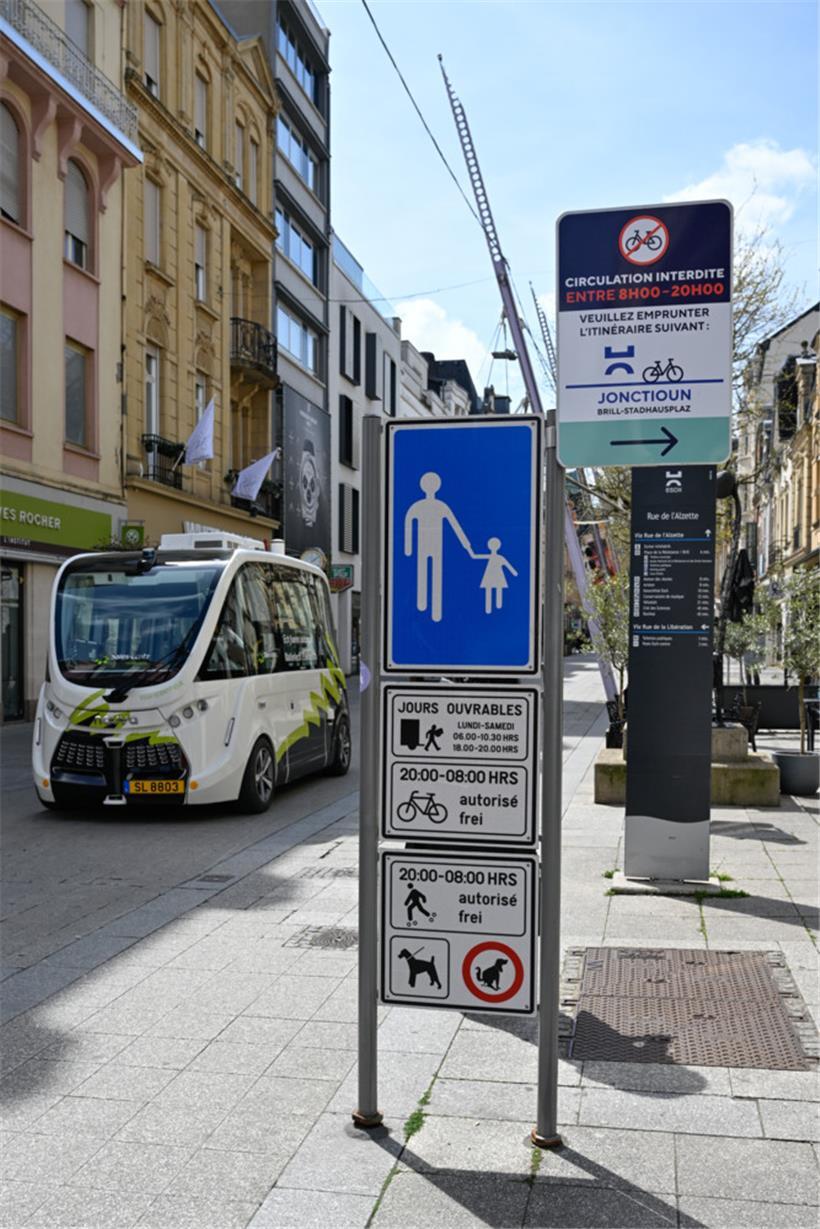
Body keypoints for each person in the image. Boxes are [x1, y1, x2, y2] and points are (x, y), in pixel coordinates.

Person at [477, 538, 518, 613]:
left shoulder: (499, 557)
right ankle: (489, 609)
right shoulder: (496, 557)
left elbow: (507, 565)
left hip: (497, 574)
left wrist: (514, 572)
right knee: (490, 588)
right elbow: (475, 556)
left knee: (497, 588)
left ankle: (498, 607)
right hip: (490, 574)